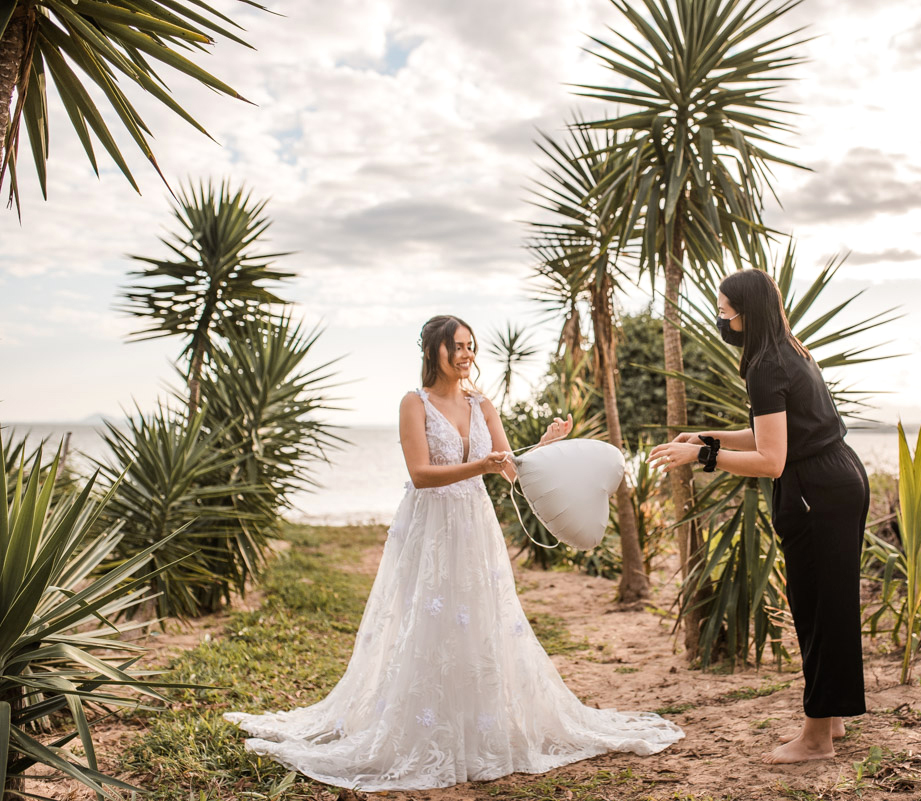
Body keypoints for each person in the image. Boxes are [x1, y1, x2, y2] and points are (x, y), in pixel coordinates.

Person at [225, 314, 684, 791]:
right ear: (433, 352)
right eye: (457, 347)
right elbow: (421, 474)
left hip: (474, 523)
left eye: (470, 346)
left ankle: (479, 726)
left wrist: (547, 446)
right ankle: (422, 724)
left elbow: (510, 469)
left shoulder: (482, 403)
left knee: (481, 620)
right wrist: (476, 466)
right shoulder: (414, 403)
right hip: (429, 527)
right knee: (427, 620)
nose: (466, 355)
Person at [648, 270, 870, 764]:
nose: (722, 320)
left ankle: (816, 741)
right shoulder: (790, 350)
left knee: (817, 607)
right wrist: (708, 438)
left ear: (749, 312)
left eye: (726, 312)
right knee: (828, 604)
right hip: (838, 477)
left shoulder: (765, 366)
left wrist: (701, 459)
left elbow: (772, 460)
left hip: (817, 491)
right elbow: (773, 435)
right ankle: (829, 718)